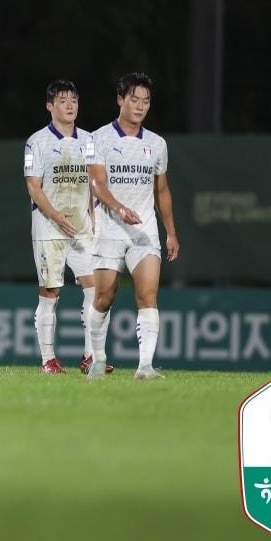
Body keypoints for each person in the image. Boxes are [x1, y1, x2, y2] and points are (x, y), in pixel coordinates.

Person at [84, 72, 179, 380]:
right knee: (103, 298)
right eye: (134, 99)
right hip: (110, 228)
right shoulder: (97, 139)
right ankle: (97, 358)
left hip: (144, 230)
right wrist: (119, 209)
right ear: (120, 100)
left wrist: (171, 232)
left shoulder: (157, 144)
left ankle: (145, 366)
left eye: (146, 101)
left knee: (148, 293)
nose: (140, 107)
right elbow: (97, 184)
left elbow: (161, 190)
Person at [24, 80, 113, 375]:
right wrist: (55, 215)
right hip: (49, 226)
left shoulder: (89, 141)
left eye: (73, 99)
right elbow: (33, 187)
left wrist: (94, 217)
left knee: (96, 290)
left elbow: (94, 182)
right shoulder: (36, 142)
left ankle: (91, 356)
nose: (70, 105)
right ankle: (48, 360)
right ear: (50, 106)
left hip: (82, 227)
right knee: (50, 292)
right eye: (62, 100)